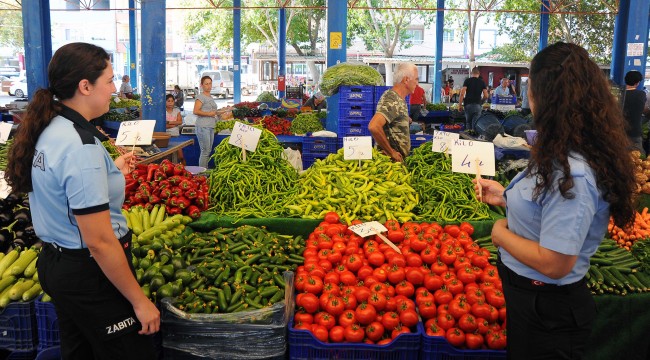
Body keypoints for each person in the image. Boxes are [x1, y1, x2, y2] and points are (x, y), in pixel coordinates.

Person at [473, 42, 635, 359]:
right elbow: (548, 208)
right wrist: (506, 199)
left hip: (548, 311)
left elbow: (555, 263)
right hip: (533, 303)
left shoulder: (573, 173)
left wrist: (500, 233)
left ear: (544, 99)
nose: (527, 97)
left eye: (530, 88)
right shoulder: (564, 150)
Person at [4, 42, 159, 360]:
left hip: (55, 264)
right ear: (85, 86)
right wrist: (139, 301)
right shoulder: (81, 146)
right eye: (110, 80)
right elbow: (100, 241)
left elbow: (64, 187)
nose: (115, 90)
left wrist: (109, 171)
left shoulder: (52, 127)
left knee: (80, 352)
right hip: (90, 274)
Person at [368, 62, 417, 162]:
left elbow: (392, 115)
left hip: (396, 164)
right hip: (389, 165)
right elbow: (374, 126)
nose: (417, 83)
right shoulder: (392, 99)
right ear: (406, 79)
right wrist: (391, 152)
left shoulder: (397, 98)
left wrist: (404, 118)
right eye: (416, 79)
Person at [194, 75, 219, 168]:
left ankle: (205, 171)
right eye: (206, 84)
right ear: (202, 85)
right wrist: (209, 114)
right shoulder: (201, 97)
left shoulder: (210, 97)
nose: (209, 86)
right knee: (205, 151)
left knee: (208, 150)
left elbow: (213, 112)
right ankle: (202, 174)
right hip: (203, 126)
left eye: (210, 83)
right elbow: (195, 111)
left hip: (210, 126)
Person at [622, 70, 646, 156]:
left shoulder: (619, 94)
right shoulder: (641, 94)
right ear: (637, 82)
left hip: (619, 131)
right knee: (638, 159)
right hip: (634, 132)